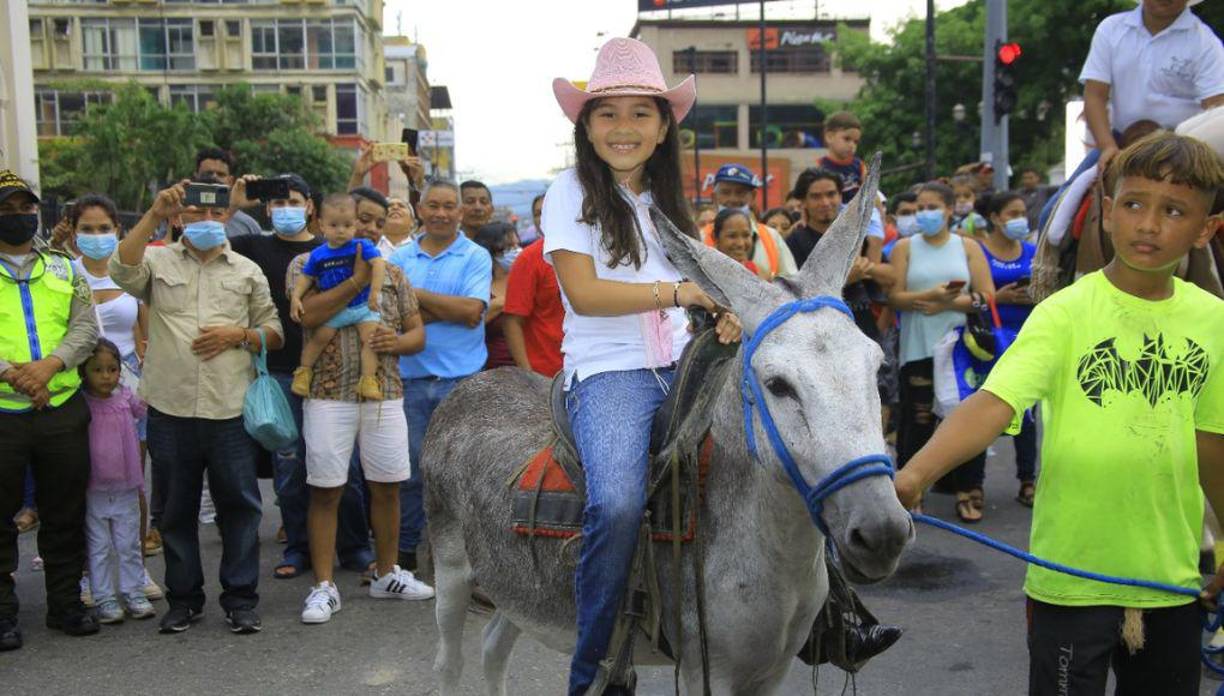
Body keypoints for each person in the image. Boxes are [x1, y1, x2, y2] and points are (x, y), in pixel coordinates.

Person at [896, 131, 1224, 696]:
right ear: (1106, 211)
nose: (1148, 225)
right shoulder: (1064, 313)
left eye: (1173, 211)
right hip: (1069, 580)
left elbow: (1211, 442)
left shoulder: (1213, 321)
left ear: (1206, 229)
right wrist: (915, 474)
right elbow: (993, 404)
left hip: (1171, 581)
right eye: (1134, 205)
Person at [546, 37, 743, 694]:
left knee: (793, 439)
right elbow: (585, 295)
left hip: (681, 365)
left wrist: (725, 311)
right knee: (620, 503)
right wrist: (682, 293)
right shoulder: (568, 190)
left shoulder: (666, 202)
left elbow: (703, 285)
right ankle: (593, 669)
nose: (623, 127)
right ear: (586, 126)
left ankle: (834, 616)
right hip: (609, 376)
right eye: (607, 113)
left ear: (663, 129)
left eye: (640, 114)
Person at [110, 175, 284, 635]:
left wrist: (240, 335)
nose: (206, 221)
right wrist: (153, 213)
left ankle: (241, 599)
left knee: (241, 508)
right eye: (194, 214)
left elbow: (274, 331)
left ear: (227, 216)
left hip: (229, 409)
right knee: (177, 511)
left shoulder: (246, 270)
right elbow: (119, 270)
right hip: (171, 409)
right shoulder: (157, 260)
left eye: (215, 213)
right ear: (180, 217)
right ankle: (183, 600)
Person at [288, 202, 432, 624]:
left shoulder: (394, 272)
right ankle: (324, 587)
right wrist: (355, 279)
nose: (364, 228)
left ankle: (387, 575)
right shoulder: (306, 263)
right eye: (357, 221)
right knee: (326, 488)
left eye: (371, 222)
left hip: (384, 392)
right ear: (324, 225)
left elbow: (417, 333)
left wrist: (396, 343)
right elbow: (308, 316)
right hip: (327, 393)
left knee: (388, 485)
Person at [229, 174, 374, 581]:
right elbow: (206, 241)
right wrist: (235, 206)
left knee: (345, 468)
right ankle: (298, 546)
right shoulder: (254, 246)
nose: (285, 209)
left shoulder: (335, 247)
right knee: (290, 467)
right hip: (281, 371)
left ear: (312, 207)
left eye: (294, 201)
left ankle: (355, 546)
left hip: (336, 375)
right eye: (277, 203)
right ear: (267, 209)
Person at [0, 170, 100, 650]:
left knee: (64, 511)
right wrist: (15, 375)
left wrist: (50, 366)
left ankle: (65, 605)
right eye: (7, 209)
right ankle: (2, 614)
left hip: (60, 407)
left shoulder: (65, 267)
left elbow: (86, 328)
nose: (18, 217)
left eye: (25, 208)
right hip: (4, 411)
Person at [388, 181, 491, 574]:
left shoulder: (475, 255)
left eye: (450, 206)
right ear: (420, 208)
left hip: (460, 385)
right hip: (410, 380)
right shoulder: (400, 255)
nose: (442, 213)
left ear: (460, 212)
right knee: (410, 474)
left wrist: (412, 296)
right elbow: (393, 317)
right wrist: (439, 309)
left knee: (462, 476)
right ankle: (405, 557)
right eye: (434, 205)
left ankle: (466, 563)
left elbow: (470, 312)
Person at [67, 193, 162, 598]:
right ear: (73, 235)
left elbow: (148, 333)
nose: (96, 236)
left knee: (132, 480)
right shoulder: (65, 274)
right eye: (87, 229)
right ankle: (91, 573)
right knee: (84, 484)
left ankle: (136, 568)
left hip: (128, 392)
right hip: (79, 393)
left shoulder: (131, 273)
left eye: (104, 229)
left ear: (117, 231)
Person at [886, 181, 994, 521]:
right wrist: (931, 296)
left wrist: (953, 301)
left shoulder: (968, 247)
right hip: (918, 347)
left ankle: (969, 489)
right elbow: (895, 297)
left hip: (961, 348)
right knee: (917, 420)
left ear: (950, 210)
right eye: (920, 208)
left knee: (966, 420)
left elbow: (985, 295)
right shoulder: (905, 247)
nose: (924, 214)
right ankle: (910, 490)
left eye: (931, 207)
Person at [1080, 0, 1224, 174]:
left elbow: (1216, 109)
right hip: (1120, 142)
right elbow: (1094, 95)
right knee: (1067, 196)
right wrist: (1107, 147)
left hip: (1181, 150)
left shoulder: (1205, 42)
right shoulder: (1111, 29)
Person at [80, 338, 155, 624]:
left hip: (125, 483)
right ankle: (104, 597)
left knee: (128, 542)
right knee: (97, 545)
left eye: (112, 369)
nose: (106, 376)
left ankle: (134, 591)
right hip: (94, 486)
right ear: (85, 372)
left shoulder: (126, 397)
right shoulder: (81, 403)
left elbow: (146, 405)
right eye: (98, 370)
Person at [290, 194, 386, 401]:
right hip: (335, 308)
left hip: (362, 306)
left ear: (355, 224)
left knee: (371, 340)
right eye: (334, 225)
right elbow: (306, 277)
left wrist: (375, 292)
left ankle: (368, 380)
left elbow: (379, 264)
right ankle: (303, 372)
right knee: (319, 339)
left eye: (347, 225)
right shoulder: (318, 254)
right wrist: (296, 298)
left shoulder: (361, 246)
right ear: (321, 225)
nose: (341, 231)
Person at [978, 192, 1039, 506]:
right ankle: (974, 484)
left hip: (1026, 339)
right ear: (995, 217)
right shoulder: (979, 252)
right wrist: (997, 298)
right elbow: (972, 292)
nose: (1020, 219)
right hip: (988, 341)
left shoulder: (1032, 251)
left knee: (1027, 415)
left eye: (1022, 213)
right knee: (982, 411)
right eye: (1012, 213)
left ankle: (1028, 480)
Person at [786, 168, 883, 339]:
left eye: (831, 194)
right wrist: (846, 277)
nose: (825, 202)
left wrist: (868, 268)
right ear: (803, 202)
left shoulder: (857, 236)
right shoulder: (794, 242)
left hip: (864, 332)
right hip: (820, 338)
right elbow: (796, 295)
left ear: (840, 196)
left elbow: (892, 278)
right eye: (816, 196)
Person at [699, 163, 798, 279]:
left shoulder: (772, 237)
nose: (733, 199)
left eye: (740, 193)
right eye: (726, 192)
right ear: (714, 198)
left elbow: (792, 283)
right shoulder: (700, 237)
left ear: (753, 197)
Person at [504, 221, 564, 378]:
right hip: (544, 375)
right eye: (537, 213)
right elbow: (512, 321)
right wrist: (528, 375)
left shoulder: (595, 253)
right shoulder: (529, 258)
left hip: (590, 369)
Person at [472, 222, 520, 370]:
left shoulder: (524, 279)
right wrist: (498, 305)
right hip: (492, 370)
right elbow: (472, 321)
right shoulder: (478, 285)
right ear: (491, 250)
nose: (517, 251)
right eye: (509, 247)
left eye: (517, 245)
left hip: (528, 367)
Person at [194, 147, 263, 239]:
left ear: (230, 181)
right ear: (196, 177)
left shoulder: (248, 226)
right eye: (208, 173)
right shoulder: (182, 218)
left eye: (221, 174)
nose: (214, 177)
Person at [818, 111, 868, 204]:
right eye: (847, 139)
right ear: (829, 137)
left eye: (855, 142)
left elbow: (870, 194)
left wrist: (880, 214)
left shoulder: (860, 166)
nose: (851, 145)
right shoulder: (819, 167)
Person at [710, 208, 766, 278]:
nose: (741, 244)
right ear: (715, 238)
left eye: (746, 235)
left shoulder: (760, 275)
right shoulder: (704, 274)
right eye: (732, 236)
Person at [1016, 167, 1057, 233]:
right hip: (1022, 231)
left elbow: (1063, 188)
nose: (1027, 181)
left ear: (1037, 178)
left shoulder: (1045, 190)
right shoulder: (1017, 194)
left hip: (1038, 230)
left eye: (1030, 178)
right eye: (1025, 178)